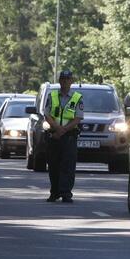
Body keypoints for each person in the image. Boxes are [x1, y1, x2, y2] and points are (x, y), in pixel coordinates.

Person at [44, 70, 84, 203]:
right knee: (53, 165)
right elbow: (47, 114)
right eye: (62, 79)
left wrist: (63, 130)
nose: (65, 81)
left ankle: (66, 193)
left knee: (68, 166)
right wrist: (57, 128)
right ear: (59, 80)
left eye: (67, 79)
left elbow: (78, 118)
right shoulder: (52, 95)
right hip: (54, 135)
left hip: (69, 136)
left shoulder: (77, 97)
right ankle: (54, 192)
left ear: (71, 81)